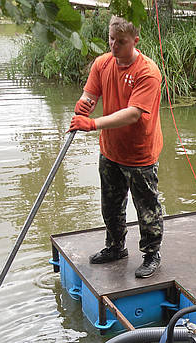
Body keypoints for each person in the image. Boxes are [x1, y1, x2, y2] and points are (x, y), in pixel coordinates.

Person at [69, 15, 163, 279]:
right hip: (110, 151)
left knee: (147, 209)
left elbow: (133, 113)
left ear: (135, 41)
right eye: (111, 39)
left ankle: (151, 254)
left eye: (120, 42)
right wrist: (83, 104)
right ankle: (115, 247)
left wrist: (93, 123)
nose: (113, 46)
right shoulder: (102, 64)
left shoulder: (147, 72)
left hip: (140, 153)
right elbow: (90, 93)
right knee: (110, 205)